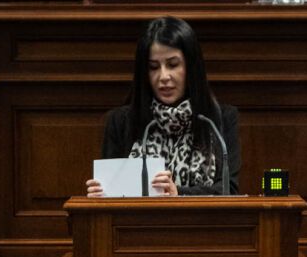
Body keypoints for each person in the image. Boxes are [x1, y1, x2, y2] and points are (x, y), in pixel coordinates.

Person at [84, 17, 240, 199]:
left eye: (173, 65)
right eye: (153, 67)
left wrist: (178, 194)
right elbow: (112, 193)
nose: (163, 76)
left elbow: (229, 189)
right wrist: (100, 194)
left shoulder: (218, 119)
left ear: (191, 66)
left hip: (202, 224)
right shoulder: (121, 121)